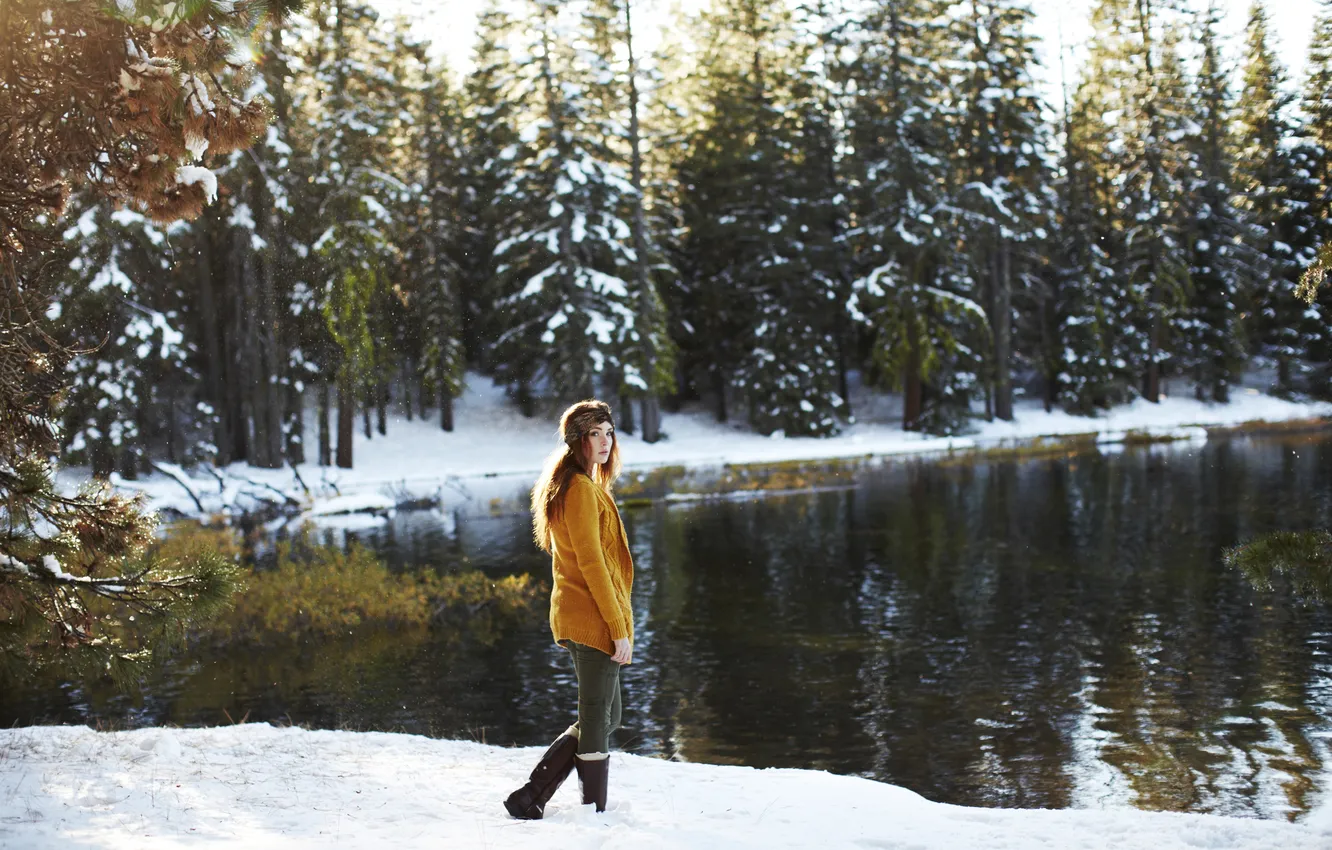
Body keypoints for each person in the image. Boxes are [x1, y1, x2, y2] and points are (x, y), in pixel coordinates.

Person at [503, 399, 635, 819]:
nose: (604, 440)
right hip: (591, 618)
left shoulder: (581, 484)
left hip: (586, 614)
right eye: (594, 433)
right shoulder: (577, 488)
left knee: (608, 715)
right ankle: (591, 810)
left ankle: (531, 795)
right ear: (577, 440)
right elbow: (592, 563)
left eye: (608, 431)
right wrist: (617, 627)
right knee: (598, 717)